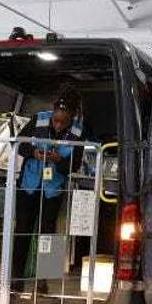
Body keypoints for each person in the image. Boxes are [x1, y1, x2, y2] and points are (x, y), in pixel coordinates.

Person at [11, 85, 92, 287]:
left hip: (53, 189)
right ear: (53, 112)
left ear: (72, 116)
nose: (57, 125)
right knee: (22, 230)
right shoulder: (39, 119)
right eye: (56, 120)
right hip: (29, 184)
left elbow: (74, 163)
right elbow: (18, 144)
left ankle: (44, 281)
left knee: (49, 233)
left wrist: (59, 161)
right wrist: (33, 153)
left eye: (62, 122)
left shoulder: (79, 129)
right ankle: (15, 280)